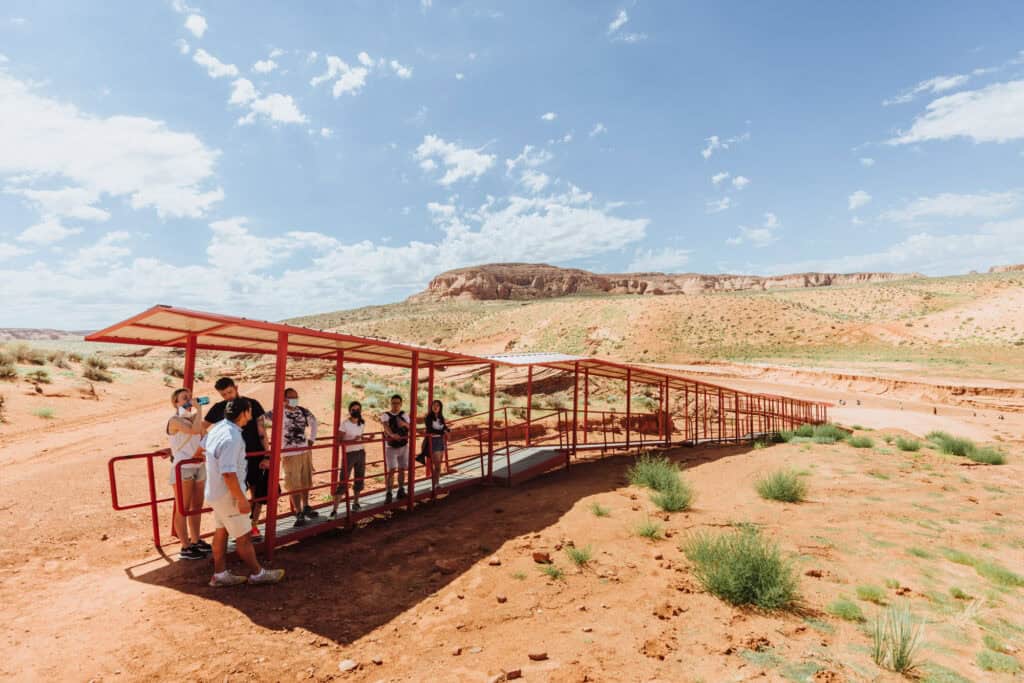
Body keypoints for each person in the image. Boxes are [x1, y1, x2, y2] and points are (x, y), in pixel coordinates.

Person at [203, 397, 284, 587]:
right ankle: (257, 573)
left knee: (221, 532)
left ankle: (220, 574)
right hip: (228, 495)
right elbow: (228, 473)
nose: (251, 415)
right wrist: (241, 499)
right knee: (244, 536)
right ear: (244, 413)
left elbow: (201, 449)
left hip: (215, 492)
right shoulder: (232, 438)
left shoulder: (218, 429)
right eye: (249, 411)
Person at [203, 378, 269, 543]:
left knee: (256, 491)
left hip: (254, 455)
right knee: (233, 491)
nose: (228, 396)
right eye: (224, 394)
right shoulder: (218, 408)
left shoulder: (252, 404)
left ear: (236, 388)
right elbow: (202, 427)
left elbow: (262, 431)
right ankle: (237, 529)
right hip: (230, 458)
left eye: (230, 392)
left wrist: (267, 455)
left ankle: (252, 525)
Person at [264, 387, 319, 528]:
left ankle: (306, 506)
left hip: (304, 451)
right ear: (284, 399)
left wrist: (311, 440)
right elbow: (261, 420)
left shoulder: (303, 411)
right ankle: (298, 512)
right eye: (291, 397)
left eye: (296, 397)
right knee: (293, 483)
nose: (294, 400)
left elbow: (314, 422)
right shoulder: (277, 412)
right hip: (289, 454)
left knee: (305, 480)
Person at [165, 388, 209, 560]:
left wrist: (197, 414)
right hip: (183, 468)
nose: (189, 400)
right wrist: (199, 410)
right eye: (184, 398)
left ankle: (196, 540)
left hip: (198, 465)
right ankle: (185, 546)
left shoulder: (193, 417)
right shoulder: (175, 420)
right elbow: (195, 431)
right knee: (182, 508)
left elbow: (204, 435)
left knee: (196, 506)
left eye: (190, 397)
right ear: (176, 403)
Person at [331, 400, 369, 517]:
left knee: (359, 478)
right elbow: (339, 441)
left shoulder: (362, 423)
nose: (356, 411)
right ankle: (334, 510)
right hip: (349, 454)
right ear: (350, 411)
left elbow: (360, 437)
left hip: (360, 452)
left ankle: (356, 503)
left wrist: (367, 438)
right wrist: (353, 441)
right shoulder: (345, 424)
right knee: (344, 480)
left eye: (358, 409)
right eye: (353, 410)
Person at [380, 394, 410, 504]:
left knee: (402, 469)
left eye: (397, 403)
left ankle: (401, 490)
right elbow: (385, 426)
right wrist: (392, 435)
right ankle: (389, 493)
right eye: (393, 403)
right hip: (391, 447)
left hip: (403, 446)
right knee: (391, 470)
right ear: (391, 403)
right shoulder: (385, 415)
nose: (395, 405)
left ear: (401, 404)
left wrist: (403, 424)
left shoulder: (404, 415)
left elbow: (410, 426)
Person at [423, 400, 450, 496]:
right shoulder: (428, 417)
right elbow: (430, 430)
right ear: (431, 407)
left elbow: (444, 427)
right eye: (434, 405)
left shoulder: (441, 417)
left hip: (440, 441)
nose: (435, 407)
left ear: (440, 407)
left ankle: (437, 484)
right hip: (433, 441)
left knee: (439, 465)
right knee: (437, 465)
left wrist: (447, 430)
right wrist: (443, 432)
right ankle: (433, 485)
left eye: (438, 405)